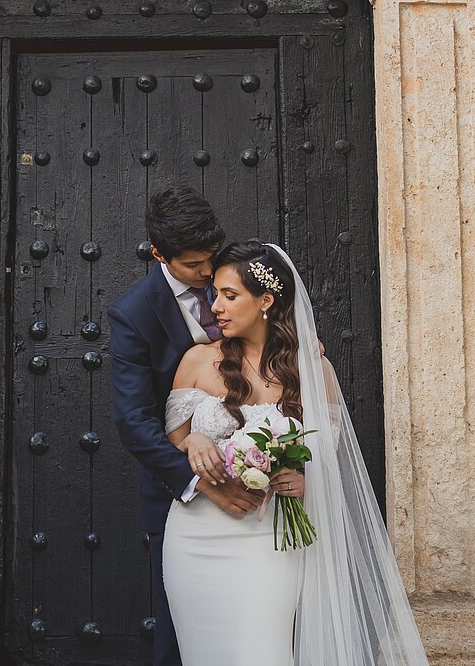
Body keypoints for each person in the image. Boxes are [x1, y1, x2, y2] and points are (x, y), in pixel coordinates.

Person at [160, 238, 432, 666]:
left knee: (262, 652)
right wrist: (193, 440)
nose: (215, 307)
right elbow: (168, 444)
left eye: (230, 296)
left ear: (266, 300)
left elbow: (328, 455)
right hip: (195, 535)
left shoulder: (312, 369)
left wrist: (304, 479)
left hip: (269, 535)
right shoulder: (197, 360)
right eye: (215, 295)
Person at [108, 187, 259, 666]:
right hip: (181, 499)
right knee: (182, 636)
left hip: (263, 491)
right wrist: (198, 483)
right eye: (195, 265)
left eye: (212, 259)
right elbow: (134, 422)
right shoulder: (132, 314)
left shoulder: (240, 277)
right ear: (159, 254)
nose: (209, 274)